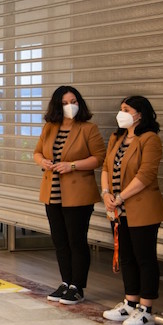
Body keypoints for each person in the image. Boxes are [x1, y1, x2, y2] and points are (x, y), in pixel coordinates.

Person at [33, 85, 106, 306]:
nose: (70, 106)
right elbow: (37, 152)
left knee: (76, 240)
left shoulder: (88, 128)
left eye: (73, 102)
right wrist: (43, 161)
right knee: (60, 241)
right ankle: (65, 282)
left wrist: (72, 165)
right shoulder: (50, 127)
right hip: (52, 193)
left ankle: (77, 286)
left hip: (78, 194)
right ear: (57, 105)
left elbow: (99, 158)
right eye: (65, 103)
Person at [101, 96, 163, 325]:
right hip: (118, 209)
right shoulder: (116, 138)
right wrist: (106, 194)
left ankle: (146, 309)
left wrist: (121, 197)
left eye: (126, 109)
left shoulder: (150, 139)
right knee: (126, 256)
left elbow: (146, 175)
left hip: (142, 207)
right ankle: (130, 303)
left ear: (140, 114)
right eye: (121, 109)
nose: (121, 113)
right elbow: (106, 167)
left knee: (144, 257)